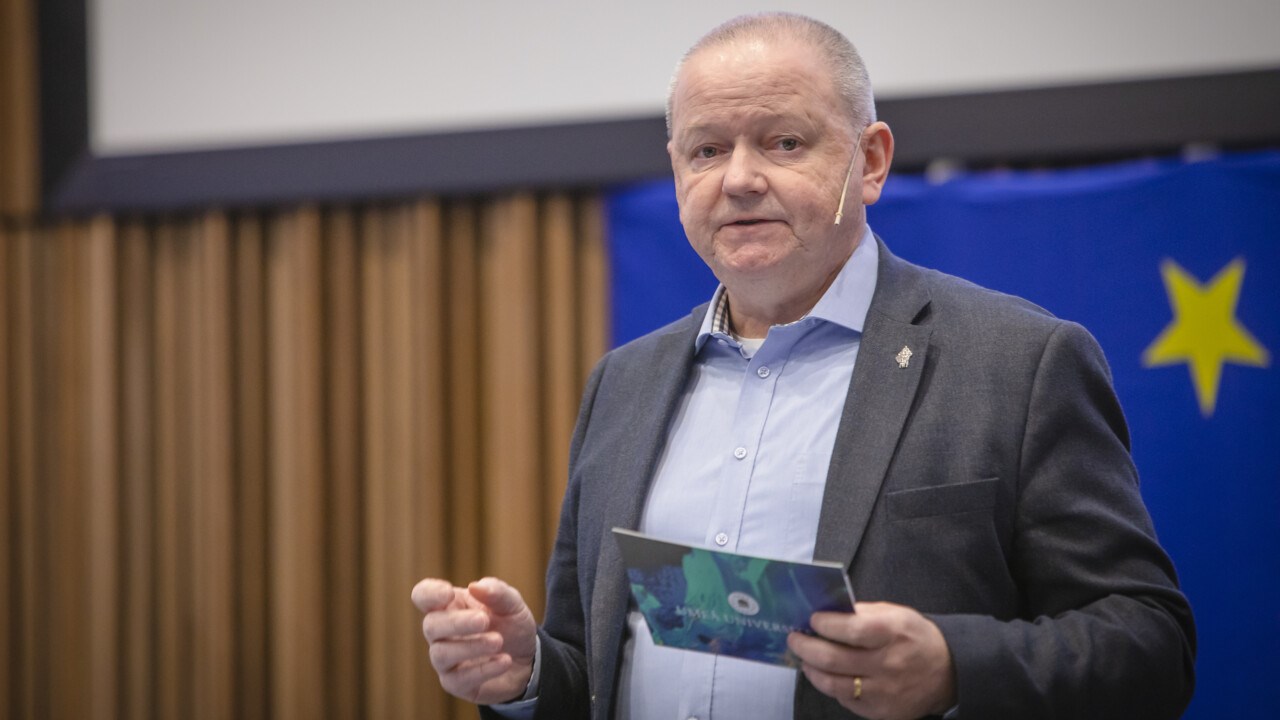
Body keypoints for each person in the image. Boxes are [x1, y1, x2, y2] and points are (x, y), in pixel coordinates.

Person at [412, 12, 1195, 720]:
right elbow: (596, 667)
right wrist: (529, 675)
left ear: (872, 160)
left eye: (784, 141)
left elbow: (1151, 645)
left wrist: (955, 668)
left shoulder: (1020, 363)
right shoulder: (624, 382)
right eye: (707, 150)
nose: (740, 177)